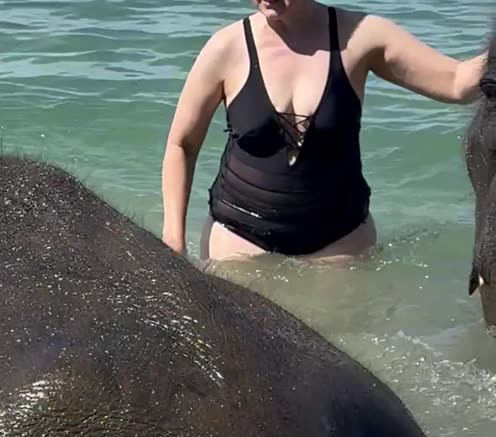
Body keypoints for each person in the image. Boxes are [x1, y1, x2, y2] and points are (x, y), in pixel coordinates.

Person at [161, 0, 487, 262]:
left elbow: (456, 82)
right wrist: (173, 239)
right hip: (239, 242)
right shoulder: (227, 47)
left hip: (339, 245)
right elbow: (182, 144)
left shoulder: (360, 37)